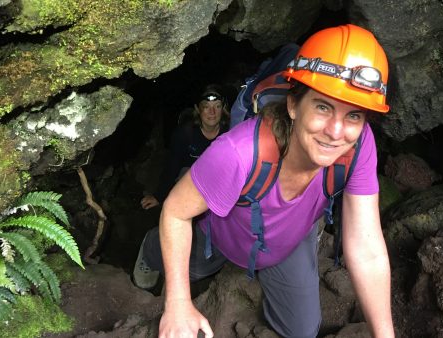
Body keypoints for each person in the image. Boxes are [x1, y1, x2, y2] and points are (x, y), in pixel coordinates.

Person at [136, 24, 395, 337]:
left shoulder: (359, 144)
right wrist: (178, 302)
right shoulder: (238, 153)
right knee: (193, 267)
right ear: (293, 104)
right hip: (222, 232)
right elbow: (176, 211)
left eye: (353, 115)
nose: (336, 131)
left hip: (287, 240)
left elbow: (367, 246)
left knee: (302, 330)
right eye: (323, 107)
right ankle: (150, 252)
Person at [139, 85, 229, 210]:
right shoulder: (184, 134)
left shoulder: (230, 134)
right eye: (206, 107)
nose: (212, 112)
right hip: (191, 179)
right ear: (198, 109)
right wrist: (159, 196)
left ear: (223, 109)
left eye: (217, 106)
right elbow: (172, 167)